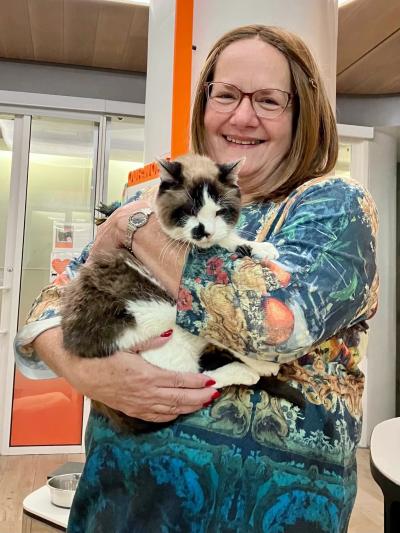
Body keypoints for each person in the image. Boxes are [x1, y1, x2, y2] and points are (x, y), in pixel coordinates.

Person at [15, 25, 378, 533]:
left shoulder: (333, 206)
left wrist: (135, 226)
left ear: (302, 113)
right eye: (226, 94)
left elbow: (272, 323)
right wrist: (85, 370)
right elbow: (51, 304)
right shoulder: (149, 202)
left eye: (269, 100)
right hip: (119, 508)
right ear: (204, 103)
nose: (242, 116)